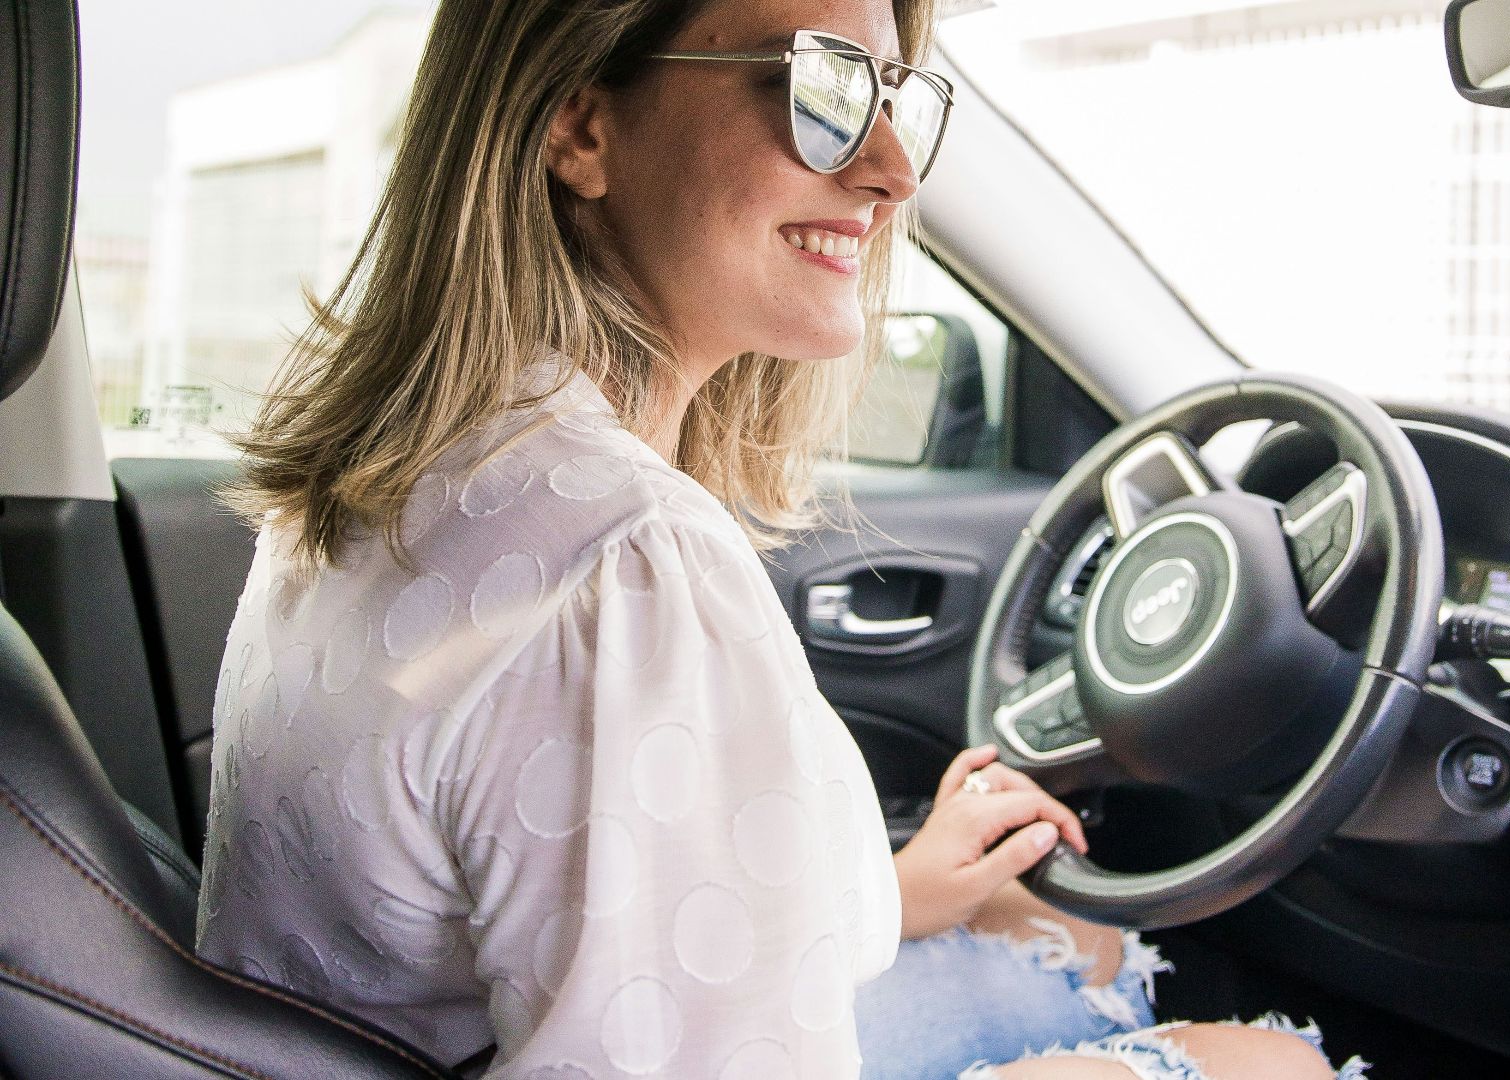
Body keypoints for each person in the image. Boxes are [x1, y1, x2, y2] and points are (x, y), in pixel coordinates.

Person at [193, 1, 1363, 1077]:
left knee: (1057, 929)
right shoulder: (623, 566)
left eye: (892, 96)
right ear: (580, 122)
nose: (893, 171)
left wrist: (887, 890)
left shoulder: (391, 475)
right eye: (821, 87)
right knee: (1278, 1066)